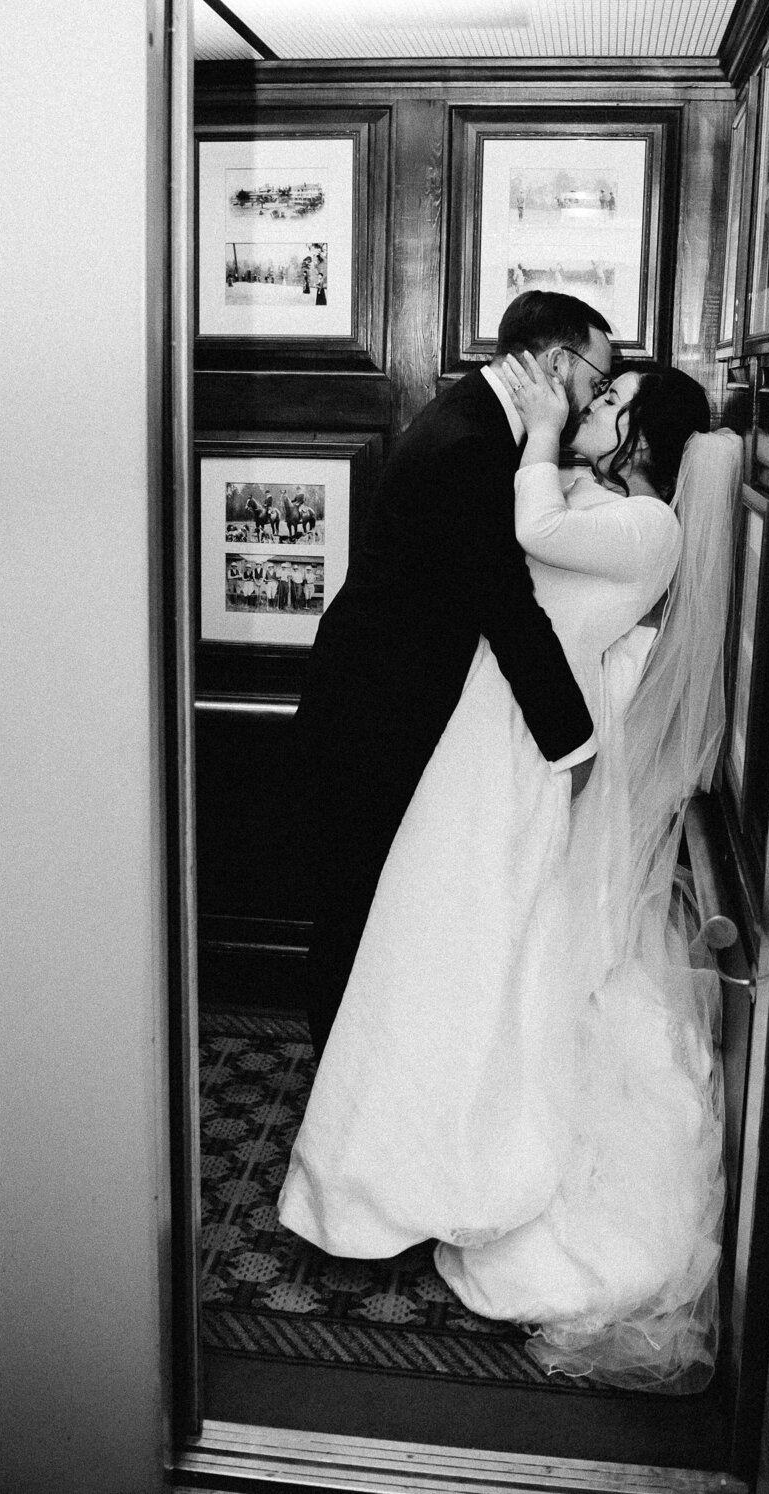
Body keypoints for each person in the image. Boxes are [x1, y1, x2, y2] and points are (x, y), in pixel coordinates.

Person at [279, 351, 741, 1392]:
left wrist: (533, 438)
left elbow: (531, 537)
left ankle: (459, 1174)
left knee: (473, 958)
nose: (586, 405)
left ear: (647, 441)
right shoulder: (590, 496)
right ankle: (373, 1183)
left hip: (525, 762)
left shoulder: (650, 526)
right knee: (429, 953)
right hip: (482, 742)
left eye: (611, 400)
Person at [291, 291, 615, 1061]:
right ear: (557, 363)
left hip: (384, 700)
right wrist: (573, 744)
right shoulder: (469, 442)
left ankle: (353, 1081)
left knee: (370, 909)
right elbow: (507, 606)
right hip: (368, 715)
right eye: (598, 379)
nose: (598, 397)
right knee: (353, 914)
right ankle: (334, 1094)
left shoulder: (482, 420)